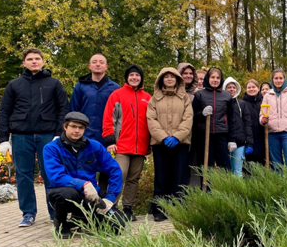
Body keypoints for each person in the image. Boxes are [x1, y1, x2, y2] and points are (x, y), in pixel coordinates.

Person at [0, 47, 69, 227]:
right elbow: (4, 113)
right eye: (30, 59)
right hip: (21, 136)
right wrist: (4, 139)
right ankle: (28, 213)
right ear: (24, 63)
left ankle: (55, 212)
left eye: (37, 58)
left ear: (43, 61)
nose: (34, 61)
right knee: (23, 175)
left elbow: (64, 110)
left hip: (47, 136)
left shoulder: (54, 83)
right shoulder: (14, 85)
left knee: (51, 174)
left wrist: (59, 134)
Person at [44, 112, 127, 238]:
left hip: (91, 197)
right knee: (67, 193)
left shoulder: (95, 146)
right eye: (73, 126)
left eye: (81, 128)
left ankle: (80, 218)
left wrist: (110, 198)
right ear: (65, 127)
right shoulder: (51, 149)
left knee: (117, 226)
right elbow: (56, 177)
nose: (77, 130)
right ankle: (60, 224)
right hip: (63, 193)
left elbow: (115, 170)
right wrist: (83, 184)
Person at [102, 64, 152, 222]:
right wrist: (110, 140)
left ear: (141, 78)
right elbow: (108, 117)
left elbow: (151, 122)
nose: (134, 78)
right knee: (119, 175)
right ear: (127, 78)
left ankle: (128, 208)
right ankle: (112, 207)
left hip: (140, 146)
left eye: (137, 75)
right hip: (121, 145)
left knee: (134, 178)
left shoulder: (148, 98)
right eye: (131, 75)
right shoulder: (117, 95)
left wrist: (150, 143)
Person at [146, 67, 194, 221]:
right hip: (161, 144)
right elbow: (151, 120)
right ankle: (160, 209)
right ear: (161, 80)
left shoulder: (184, 98)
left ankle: (177, 208)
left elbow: (188, 118)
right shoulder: (154, 99)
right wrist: (164, 137)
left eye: (172, 77)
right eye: (166, 77)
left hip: (180, 143)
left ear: (177, 80)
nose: (169, 79)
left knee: (179, 176)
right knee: (161, 175)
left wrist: (177, 137)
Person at [69, 53, 120, 196]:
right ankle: (83, 203)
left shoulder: (115, 88)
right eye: (94, 62)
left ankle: (103, 202)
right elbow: (73, 111)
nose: (98, 64)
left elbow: (119, 114)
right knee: (84, 169)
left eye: (101, 62)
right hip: (85, 136)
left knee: (106, 169)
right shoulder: (80, 86)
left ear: (106, 67)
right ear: (89, 66)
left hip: (107, 137)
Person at [193, 67, 235, 172]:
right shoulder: (199, 95)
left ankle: (224, 188)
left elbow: (232, 119)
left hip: (221, 135)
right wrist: (202, 114)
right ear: (208, 78)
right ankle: (207, 188)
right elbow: (193, 116)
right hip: (204, 135)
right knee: (207, 166)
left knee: (225, 167)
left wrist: (232, 139)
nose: (215, 80)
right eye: (213, 77)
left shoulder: (226, 96)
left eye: (218, 78)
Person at [260, 69, 287, 172]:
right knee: (276, 165)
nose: (278, 80)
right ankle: (279, 187)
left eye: (281, 78)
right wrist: (262, 120)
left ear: (284, 79)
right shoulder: (267, 96)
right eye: (276, 78)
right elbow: (262, 113)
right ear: (272, 80)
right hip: (272, 134)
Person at [223, 77, 255, 177]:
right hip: (223, 141)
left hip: (239, 142)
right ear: (225, 88)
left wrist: (249, 143)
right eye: (229, 87)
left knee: (237, 170)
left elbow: (247, 124)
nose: (231, 89)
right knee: (226, 170)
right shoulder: (221, 103)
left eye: (233, 87)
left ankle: (237, 192)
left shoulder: (242, 104)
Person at [178, 62, 203, 189]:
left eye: (190, 74)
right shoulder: (173, 91)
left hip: (195, 133)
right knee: (180, 166)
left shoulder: (197, 94)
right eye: (185, 73)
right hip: (177, 134)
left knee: (194, 164)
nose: (188, 76)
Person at [241, 79, 267, 169]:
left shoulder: (264, 102)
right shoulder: (242, 103)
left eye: (253, 87)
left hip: (262, 138)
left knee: (262, 164)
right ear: (246, 89)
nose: (251, 89)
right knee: (248, 166)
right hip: (248, 139)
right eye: (249, 87)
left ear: (258, 88)